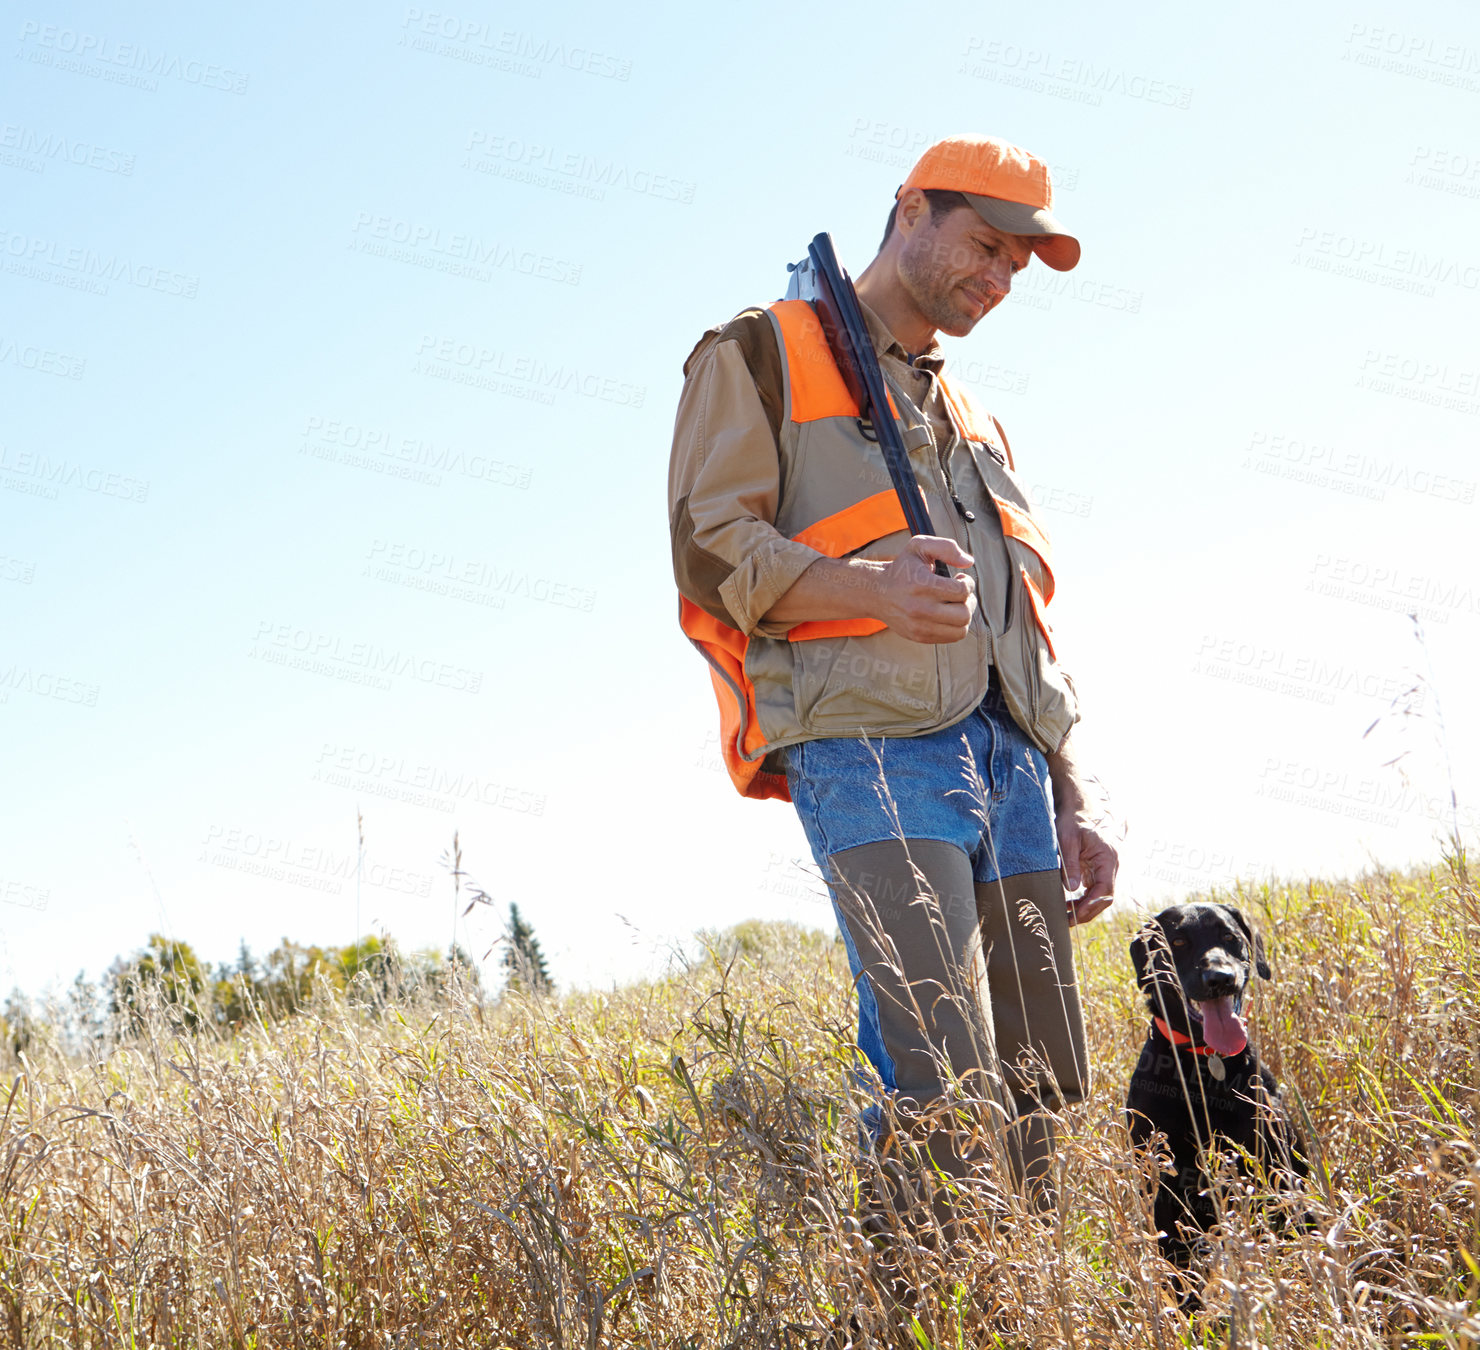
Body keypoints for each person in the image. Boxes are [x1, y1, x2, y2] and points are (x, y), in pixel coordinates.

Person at [667, 134, 1118, 1240]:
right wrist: (861, 590)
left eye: (1019, 263)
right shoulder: (756, 351)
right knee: (937, 1072)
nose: (1001, 278)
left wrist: (1072, 790)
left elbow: (1024, 623)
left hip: (1013, 762)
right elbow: (704, 547)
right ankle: (915, 1306)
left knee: (1042, 1075)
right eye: (985, 245)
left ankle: (1024, 1297)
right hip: (870, 751)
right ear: (910, 209)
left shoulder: (973, 417)